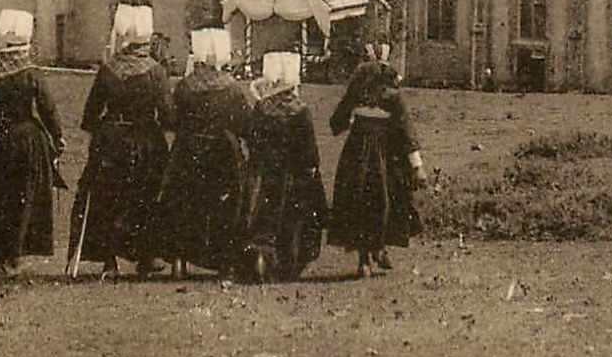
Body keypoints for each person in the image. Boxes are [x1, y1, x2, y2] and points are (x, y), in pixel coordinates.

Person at [68, 4, 174, 279]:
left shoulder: (108, 69)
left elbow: (91, 113)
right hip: (145, 140)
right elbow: (167, 115)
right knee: (147, 197)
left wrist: (104, 130)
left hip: (111, 140)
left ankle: (109, 260)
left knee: (106, 198)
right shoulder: (155, 72)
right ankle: (147, 255)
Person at [0, 9, 64, 276]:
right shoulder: (32, 72)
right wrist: (57, 137)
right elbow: (48, 109)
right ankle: (13, 255)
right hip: (25, 138)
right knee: (22, 196)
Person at [156, 28, 251, 278]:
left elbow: (171, 120)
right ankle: (225, 262)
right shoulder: (232, 88)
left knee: (183, 204)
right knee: (225, 206)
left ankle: (179, 260)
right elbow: (245, 124)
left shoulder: (186, 86)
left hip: (188, 150)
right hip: (222, 153)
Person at [328, 44, 426, 278]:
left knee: (359, 201)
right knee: (384, 200)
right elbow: (406, 132)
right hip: (386, 154)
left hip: (357, 152)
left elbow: (336, 122)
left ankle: (365, 258)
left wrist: (352, 120)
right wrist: (417, 166)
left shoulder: (356, 95)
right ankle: (378, 248)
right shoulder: (394, 97)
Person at [239, 51, 327, 283]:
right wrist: (312, 170)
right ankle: (288, 264)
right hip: (294, 175)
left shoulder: (261, 109)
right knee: (294, 220)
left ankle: (261, 258)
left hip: (266, 173)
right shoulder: (300, 111)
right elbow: (309, 150)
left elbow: (252, 139)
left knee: (264, 218)